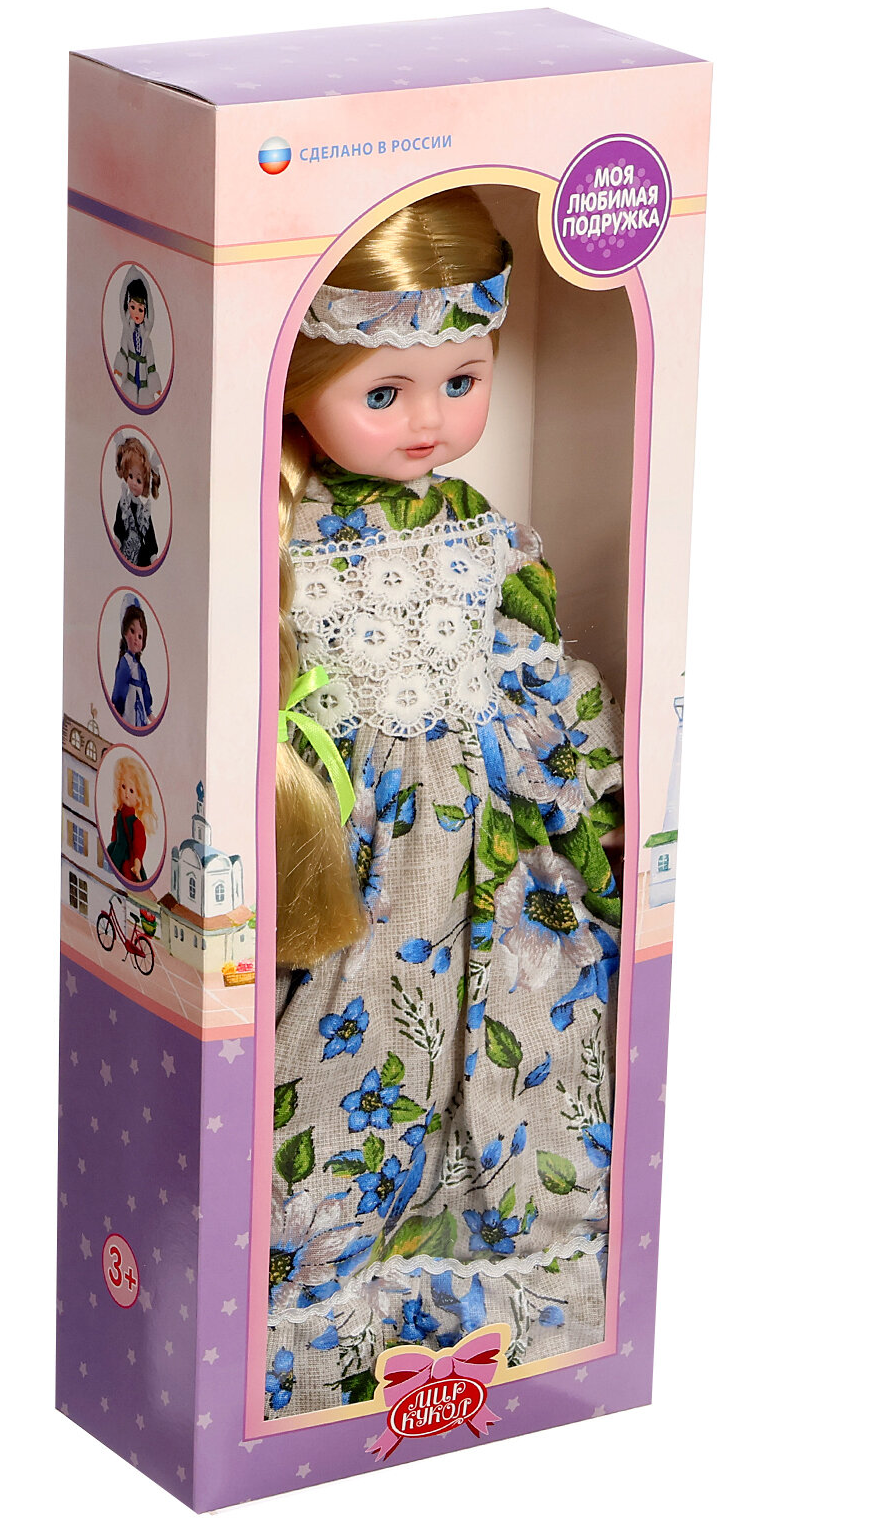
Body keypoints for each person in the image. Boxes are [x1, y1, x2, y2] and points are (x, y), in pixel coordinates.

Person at [266, 189, 625, 1418]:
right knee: (356, 1049)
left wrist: (588, 801)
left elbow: (538, 677)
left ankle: (508, 1283)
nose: (430, 419)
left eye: (461, 382)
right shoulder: (290, 542)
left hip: (497, 855)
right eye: (386, 391)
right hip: (365, 859)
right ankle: (328, 1301)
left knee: (525, 1032)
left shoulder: (485, 536)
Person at [111, 435, 161, 568]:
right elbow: (119, 525)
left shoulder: (144, 512)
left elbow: (149, 535)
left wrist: (153, 556)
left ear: (145, 484)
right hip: (125, 550)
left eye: (138, 480)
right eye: (130, 476)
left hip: (140, 557)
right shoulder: (124, 504)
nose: (133, 483)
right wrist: (117, 541)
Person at [115, 273, 162, 407]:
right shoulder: (127, 335)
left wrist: (155, 385)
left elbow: (151, 363)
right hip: (130, 375)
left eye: (140, 309)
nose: (136, 313)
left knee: (144, 399)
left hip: (143, 377)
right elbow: (123, 351)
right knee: (128, 397)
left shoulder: (147, 341)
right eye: (132, 307)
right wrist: (119, 368)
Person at [106, 755, 154, 884]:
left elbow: (139, 844)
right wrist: (113, 844)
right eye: (123, 787)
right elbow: (115, 834)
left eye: (131, 790)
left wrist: (137, 862)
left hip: (128, 861)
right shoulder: (119, 814)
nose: (126, 793)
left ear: (139, 798)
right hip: (116, 852)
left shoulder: (135, 823)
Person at [110, 597, 154, 729]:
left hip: (140, 708)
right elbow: (120, 687)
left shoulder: (140, 667)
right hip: (128, 708)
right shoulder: (125, 663)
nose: (136, 638)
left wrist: (149, 712)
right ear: (125, 633)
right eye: (132, 631)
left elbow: (145, 688)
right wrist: (117, 709)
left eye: (140, 636)